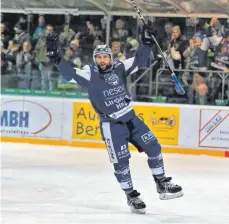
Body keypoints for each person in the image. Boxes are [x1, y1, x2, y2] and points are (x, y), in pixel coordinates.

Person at [45, 25, 183, 214]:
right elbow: (70, 74)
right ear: (95, 59)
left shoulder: (119, 67)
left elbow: (141, 61)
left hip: (132, 119)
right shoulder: (90, 73)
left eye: (106, 57)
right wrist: (56, 57)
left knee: (154, 147)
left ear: (111, 57)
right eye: (99, 57)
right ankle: (131, 196)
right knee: (121, 162)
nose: (103, 60)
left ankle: (162, 184)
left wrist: (147, 42)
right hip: (112, 126)